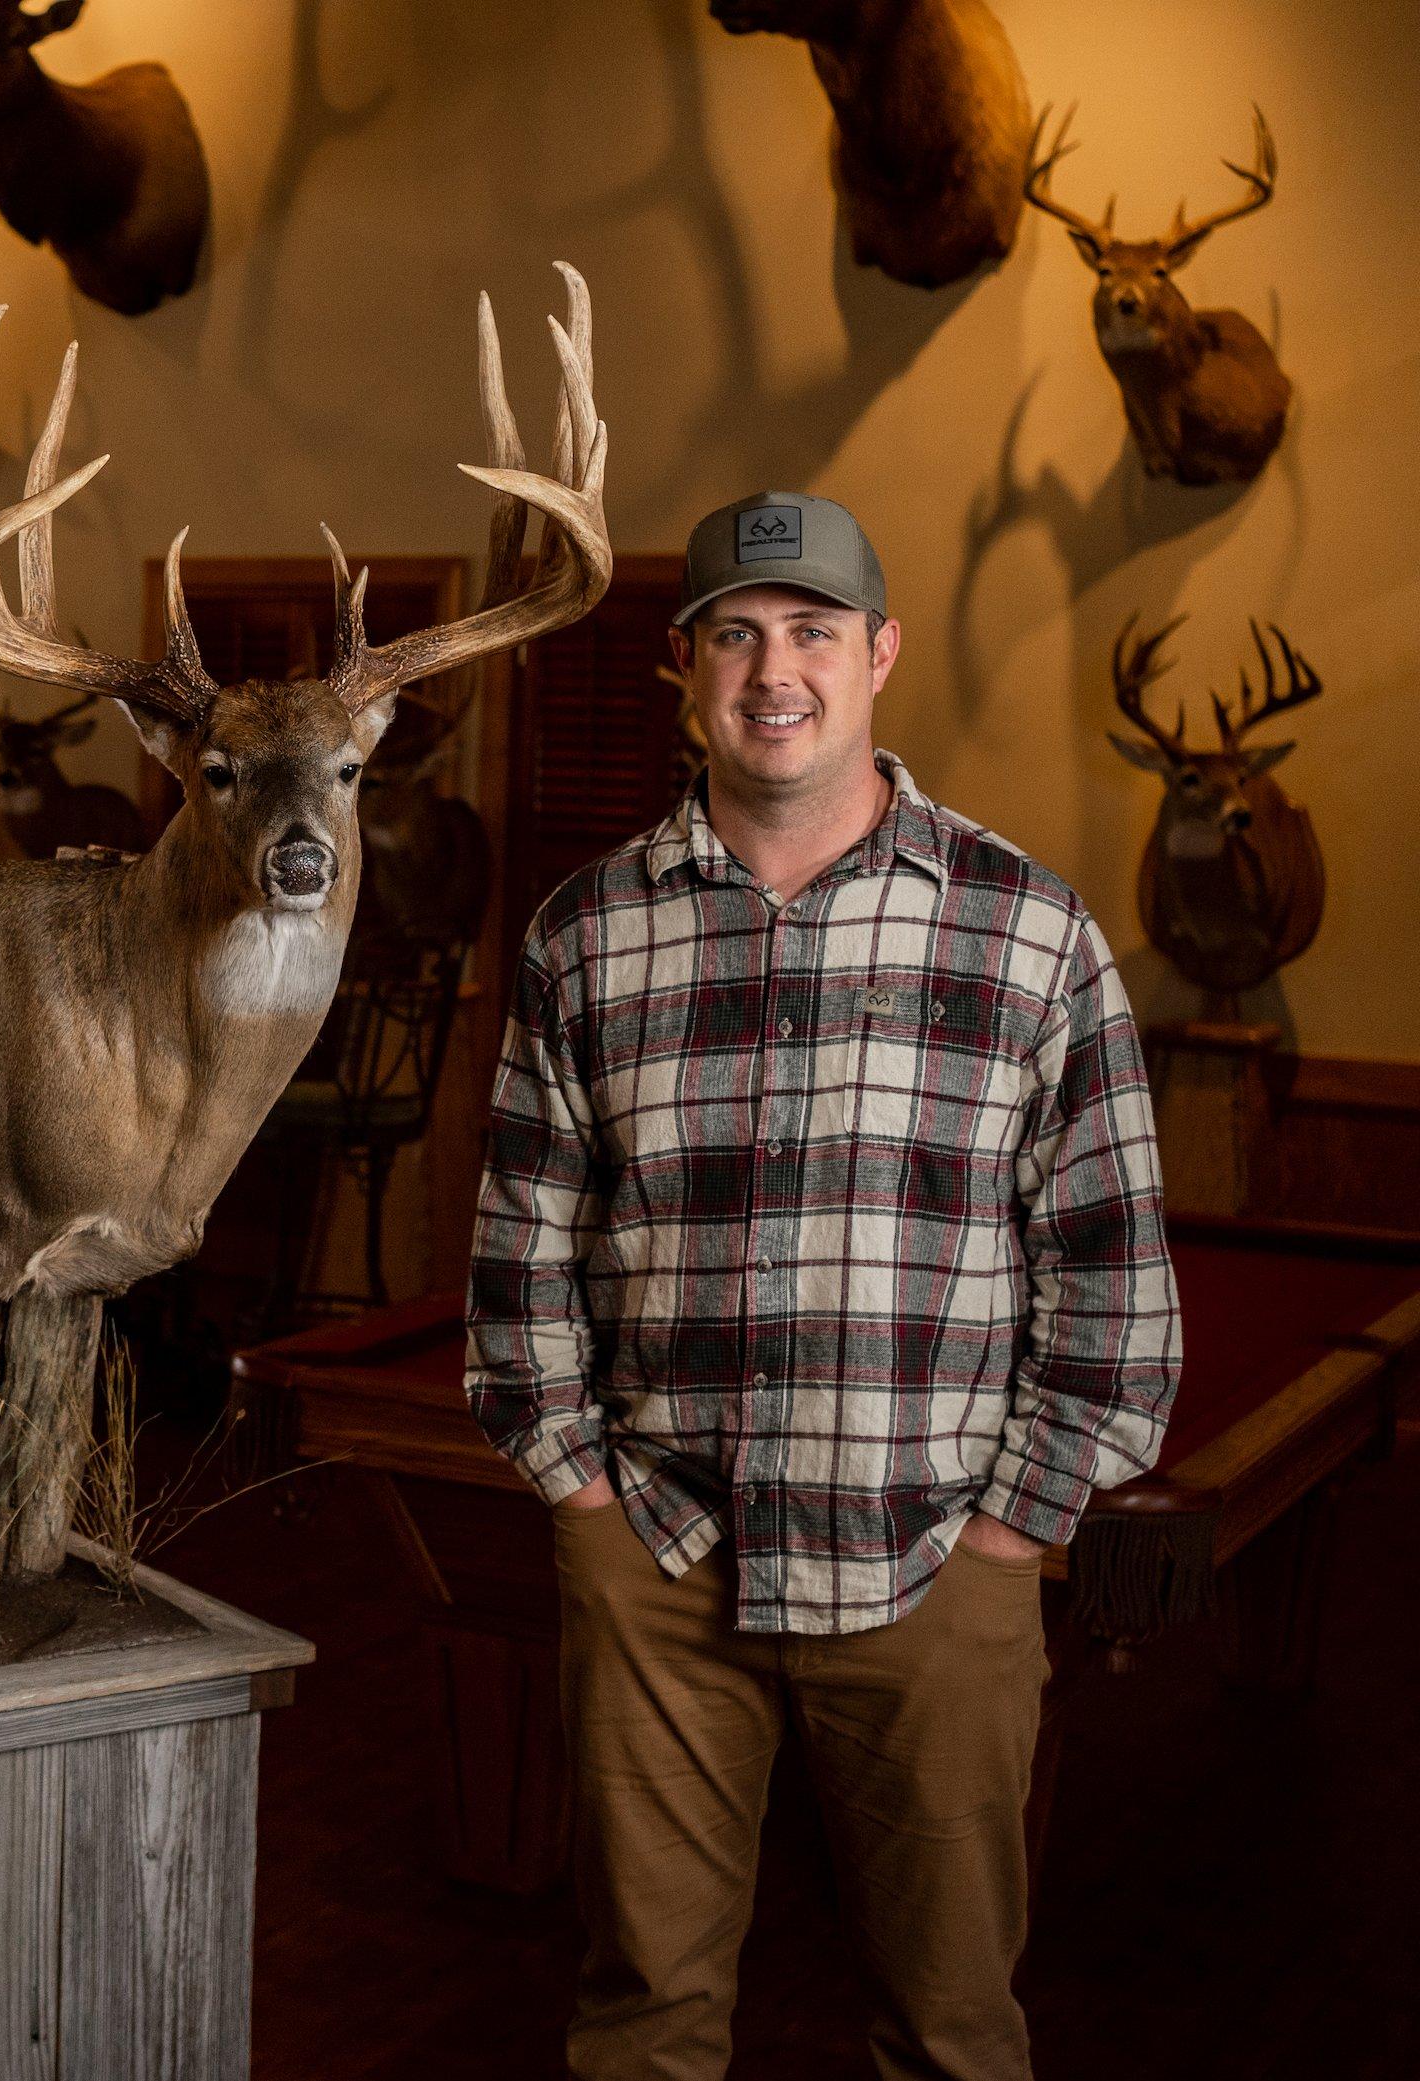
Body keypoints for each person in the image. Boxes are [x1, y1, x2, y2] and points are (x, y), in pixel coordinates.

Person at [465, 492, 1182, 2080]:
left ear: (879, 655)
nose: (772, 668)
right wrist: (582, 1500)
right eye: (736, 631)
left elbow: (1115, 1282)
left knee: (952, 2032)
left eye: (810, 630)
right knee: (641, 2020)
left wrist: (1010, 1536)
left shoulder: (1029, 931)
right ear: (683, 665)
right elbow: (522, 1251)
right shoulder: (585, 934)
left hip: (935, 1561)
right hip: (658, 1558)